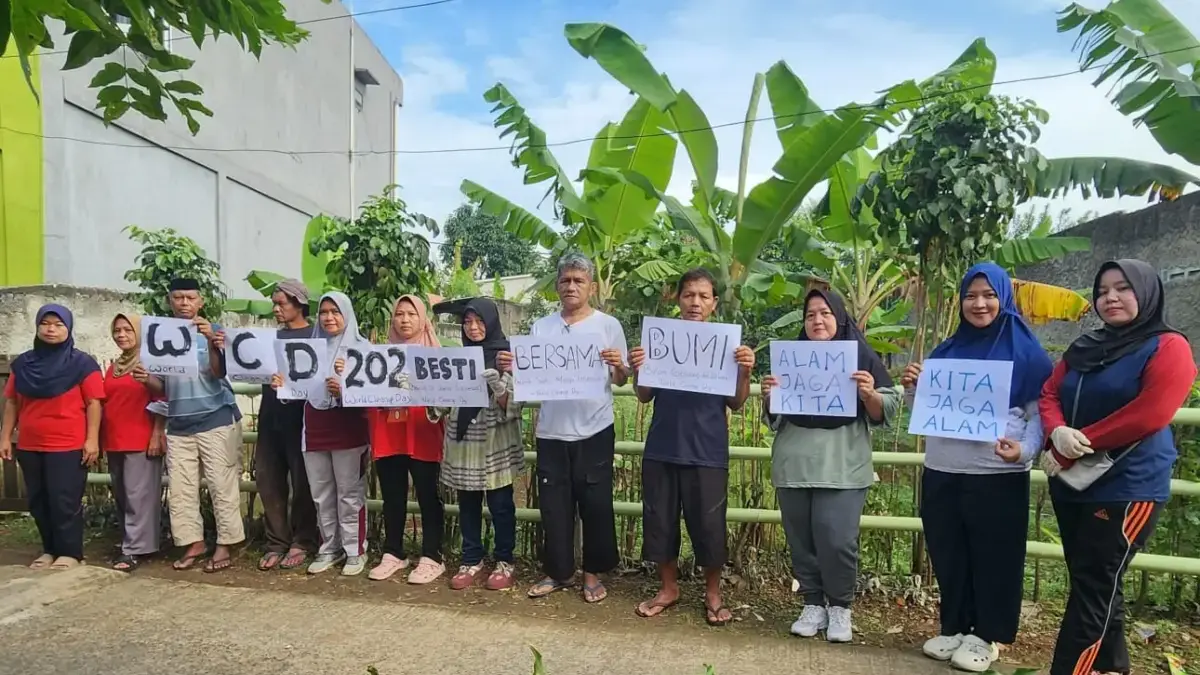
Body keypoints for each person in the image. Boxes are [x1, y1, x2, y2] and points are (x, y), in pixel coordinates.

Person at [1039, 259, 1195, 675]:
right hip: (1072, 482)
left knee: (1093, 587)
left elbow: (1150, 414)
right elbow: (1050, 391)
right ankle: (1111, 666)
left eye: (1123, 288)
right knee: (1095, 581)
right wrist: (1056, 431)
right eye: (1103, 290)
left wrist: (1074, 446)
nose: (1110, 297)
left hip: (1126, 485)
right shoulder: (1086, 347)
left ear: (1146, 292)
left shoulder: (1168, 347)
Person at [900, 262, 1054, 672]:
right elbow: (925, 411)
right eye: (970, 296)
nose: (979, 304)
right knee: (948, 551)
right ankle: (954, 626)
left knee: (994, 557)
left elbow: (1041, 414)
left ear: (1004, 299)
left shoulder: (1028, 354)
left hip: (996, 474)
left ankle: (987, 636)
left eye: (989, 295)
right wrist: (913, 388)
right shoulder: (946, 352)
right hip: (943, 469)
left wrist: (1024, 450)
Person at [760, 289, 900, 643]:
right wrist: (770, 397)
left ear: (839, 317)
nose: (817, 321)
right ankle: (812, 603)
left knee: (837, 540)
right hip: (794, 464)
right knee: (800, 540)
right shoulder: (791, 360)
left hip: (843, 464)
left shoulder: (860, 358)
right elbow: (774, 418)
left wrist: (869, 395)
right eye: (810, 315)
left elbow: (888, 408)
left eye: (824, 313)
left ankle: (839, 607)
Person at [496, 253, 628, 604]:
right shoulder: (542, 327)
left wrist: (618, 365)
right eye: (566, 280)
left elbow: (621, 379)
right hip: (551, 431)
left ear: (592, 287)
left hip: (595, 429)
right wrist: (513, 365)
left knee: (595, 505)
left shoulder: (608, 326)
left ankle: (592, 573)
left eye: (579, 280)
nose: (571, 286)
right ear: (557, 286)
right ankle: (558, 572)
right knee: (554, 506)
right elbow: (531, 376)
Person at [630, 268, 755, 627]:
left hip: (707, 449)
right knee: (660, 522)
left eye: (703, 296)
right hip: (663, 446)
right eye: (688, 295)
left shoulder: (727, 347)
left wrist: (745, 372)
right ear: (678, 299)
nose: (695, 302)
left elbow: (736, 402)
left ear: (714, 303)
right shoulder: (661, 341)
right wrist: (639, 368)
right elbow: (643, 395)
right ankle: (668, 588)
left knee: (709, 525)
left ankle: (713, 594)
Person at [135, 278, 245, 573]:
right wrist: (145, 378)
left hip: (216, 418)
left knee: (222, 485)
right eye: (178, 297)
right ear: (169, 301)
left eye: (190, 297)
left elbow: (219, 373)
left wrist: (210, 341)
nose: (184, 303)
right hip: (179, 423)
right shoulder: (160, 335)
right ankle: (193, 543)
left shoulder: (216, 331)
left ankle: (226, 543)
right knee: (181, 489)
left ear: (201, 301)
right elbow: (163, 386)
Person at [273, 291, 372, 577]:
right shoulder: (307, 349)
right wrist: (282, 384)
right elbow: (296, 389)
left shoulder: (363, 350)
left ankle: (355, 549)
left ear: (347, 314)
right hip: (315, 427)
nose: (329, 318)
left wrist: (345, 389)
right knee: (321, 493)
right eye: (324, 312)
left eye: (335, 312)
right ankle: (329, 547)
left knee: (349, 493)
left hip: (349, 429)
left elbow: (373, 394)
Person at [0, 304, 104, 570]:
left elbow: (94, 403)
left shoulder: (82, 364)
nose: (51, 329)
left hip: (67, 444)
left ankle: (70, 553)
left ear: (68, 329)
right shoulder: (23, 365)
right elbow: (12, 402)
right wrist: (5, 437)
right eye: (45, 324)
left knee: (64, 500)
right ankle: (49, 550)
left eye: (58, 325)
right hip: (30, 444)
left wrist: (92, 440)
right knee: (38, 501)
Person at [438, 297, 524, 592]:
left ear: (492, 321)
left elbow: (516, 404)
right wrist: (422, 391)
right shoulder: (458, 358)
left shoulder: (507, 354)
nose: (473, 327)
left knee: (501, 505)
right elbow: (444, 402)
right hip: (464, 441)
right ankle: (471, 558)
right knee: (468, 504)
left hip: (495, 440)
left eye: (479, 321)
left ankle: (504, 560)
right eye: (467, 322)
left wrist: (501, 387)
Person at [367, 295, 447, 584]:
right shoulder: (378, 357)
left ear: (423, 319)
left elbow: (448, 397)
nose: (404, 320)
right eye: (399, 314)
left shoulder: (437, 356)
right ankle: (393, 552)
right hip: (389, 432)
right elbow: (367, 393)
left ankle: (433, 555)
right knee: (392, 495)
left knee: (427, 494)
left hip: (423, 431)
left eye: (411, 314)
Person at [254, 280, 319, 572]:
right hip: (270, 416)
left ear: (299, 304)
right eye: (274, 303)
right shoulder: (268, 339)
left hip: (302, 419)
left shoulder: (316, 336)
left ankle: (303, 540)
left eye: (281, 303)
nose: (276, 309)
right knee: (268, 480)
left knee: (303, 483)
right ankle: (276, 541)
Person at [103, 312, 166, 572]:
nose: (122, 335)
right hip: (114, 438)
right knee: (123, 495)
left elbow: (163, 398)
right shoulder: (115, 366)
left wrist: (157, 433)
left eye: (128, 330)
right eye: (117, 330)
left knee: (138, 496)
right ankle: (133, 543)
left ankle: (134, 550)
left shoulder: (151, 362)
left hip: (141, 437)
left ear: (140, 333)